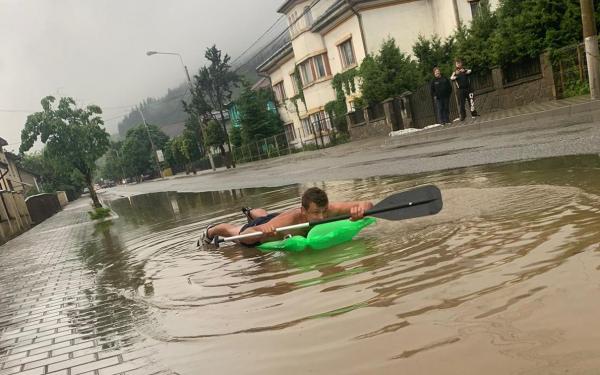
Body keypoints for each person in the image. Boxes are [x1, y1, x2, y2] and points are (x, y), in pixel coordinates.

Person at [201, 187, 373, 246]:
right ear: (303, 211)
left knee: (265, 215)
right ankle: (211, 230)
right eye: (315, 213)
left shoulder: (329, 209)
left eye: (324, 211)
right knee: (234, 231)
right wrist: (262, 231)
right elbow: (245, 237)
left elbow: (368, 204)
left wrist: (360, 210)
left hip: (273, 218)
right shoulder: (289, 220)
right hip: (264, 228)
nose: (321, 217)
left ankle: (250, 211)